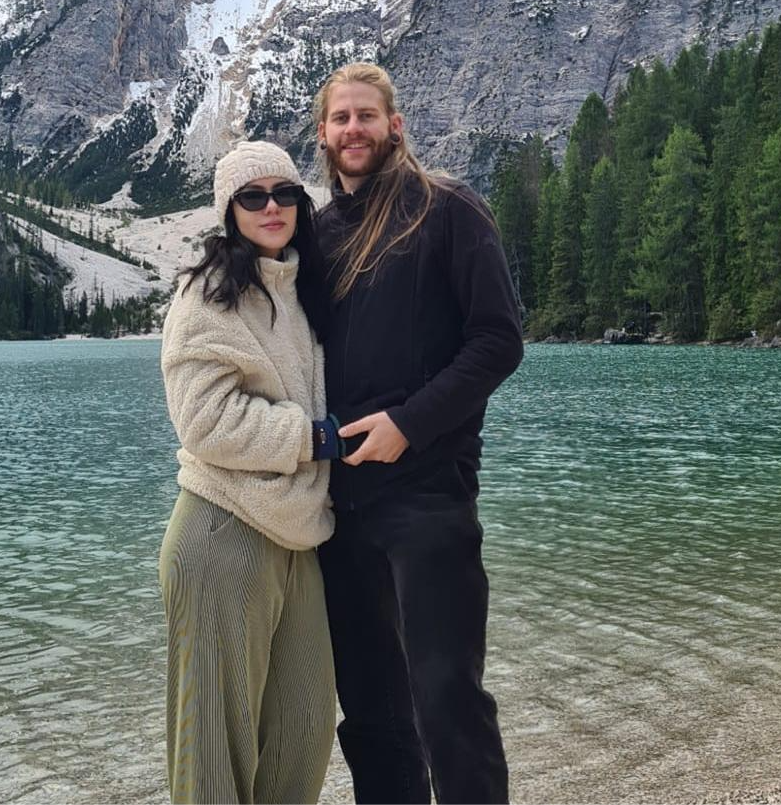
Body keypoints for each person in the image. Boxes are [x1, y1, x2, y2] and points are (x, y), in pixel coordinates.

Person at [313, 64, 524, 805]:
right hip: (339, 506)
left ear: (394, 125)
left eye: (366, 116)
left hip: (429, 495)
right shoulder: (316, 234)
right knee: (372, 709)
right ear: (323, 134)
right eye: (340, 118)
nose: (354, 130)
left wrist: (410, 423)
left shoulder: (449, 211)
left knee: (446, 698)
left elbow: (499, 341)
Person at [158, 140, 340, 805]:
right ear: (227, 209)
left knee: (307, 724)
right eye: (253, 196)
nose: (272, 207)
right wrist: (313, 437)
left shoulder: (301, 286)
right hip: (222, 531)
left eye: (285, 193)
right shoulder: (208, 293)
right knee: (213, 752)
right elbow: (203, 419)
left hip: (298, 532)